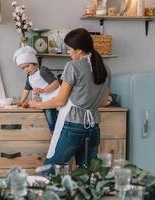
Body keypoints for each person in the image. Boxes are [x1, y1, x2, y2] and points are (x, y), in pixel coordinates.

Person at [29, 28, 110, 174]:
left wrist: (37, 105)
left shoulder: (72, 66)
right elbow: (104, 102)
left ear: (79, 50)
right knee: (86, 176)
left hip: (73, 126)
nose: (68, 53)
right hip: (93, 128)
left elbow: (60, 101)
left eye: (69, 50)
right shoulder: (104, 68)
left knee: (48, 171)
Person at [13, 46, 60, 133]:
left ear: (35, 63)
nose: (25, 69)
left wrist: (44, 90)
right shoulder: (29, 77)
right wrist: (20, 102)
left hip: (55, 97)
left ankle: (55, 132)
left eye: (27, 66)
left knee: (50, 115)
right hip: (45, 100)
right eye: (23, 68)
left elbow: (56, 83)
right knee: (47, 115)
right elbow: (26, 90)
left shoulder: (42, 71)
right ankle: (53, 132)